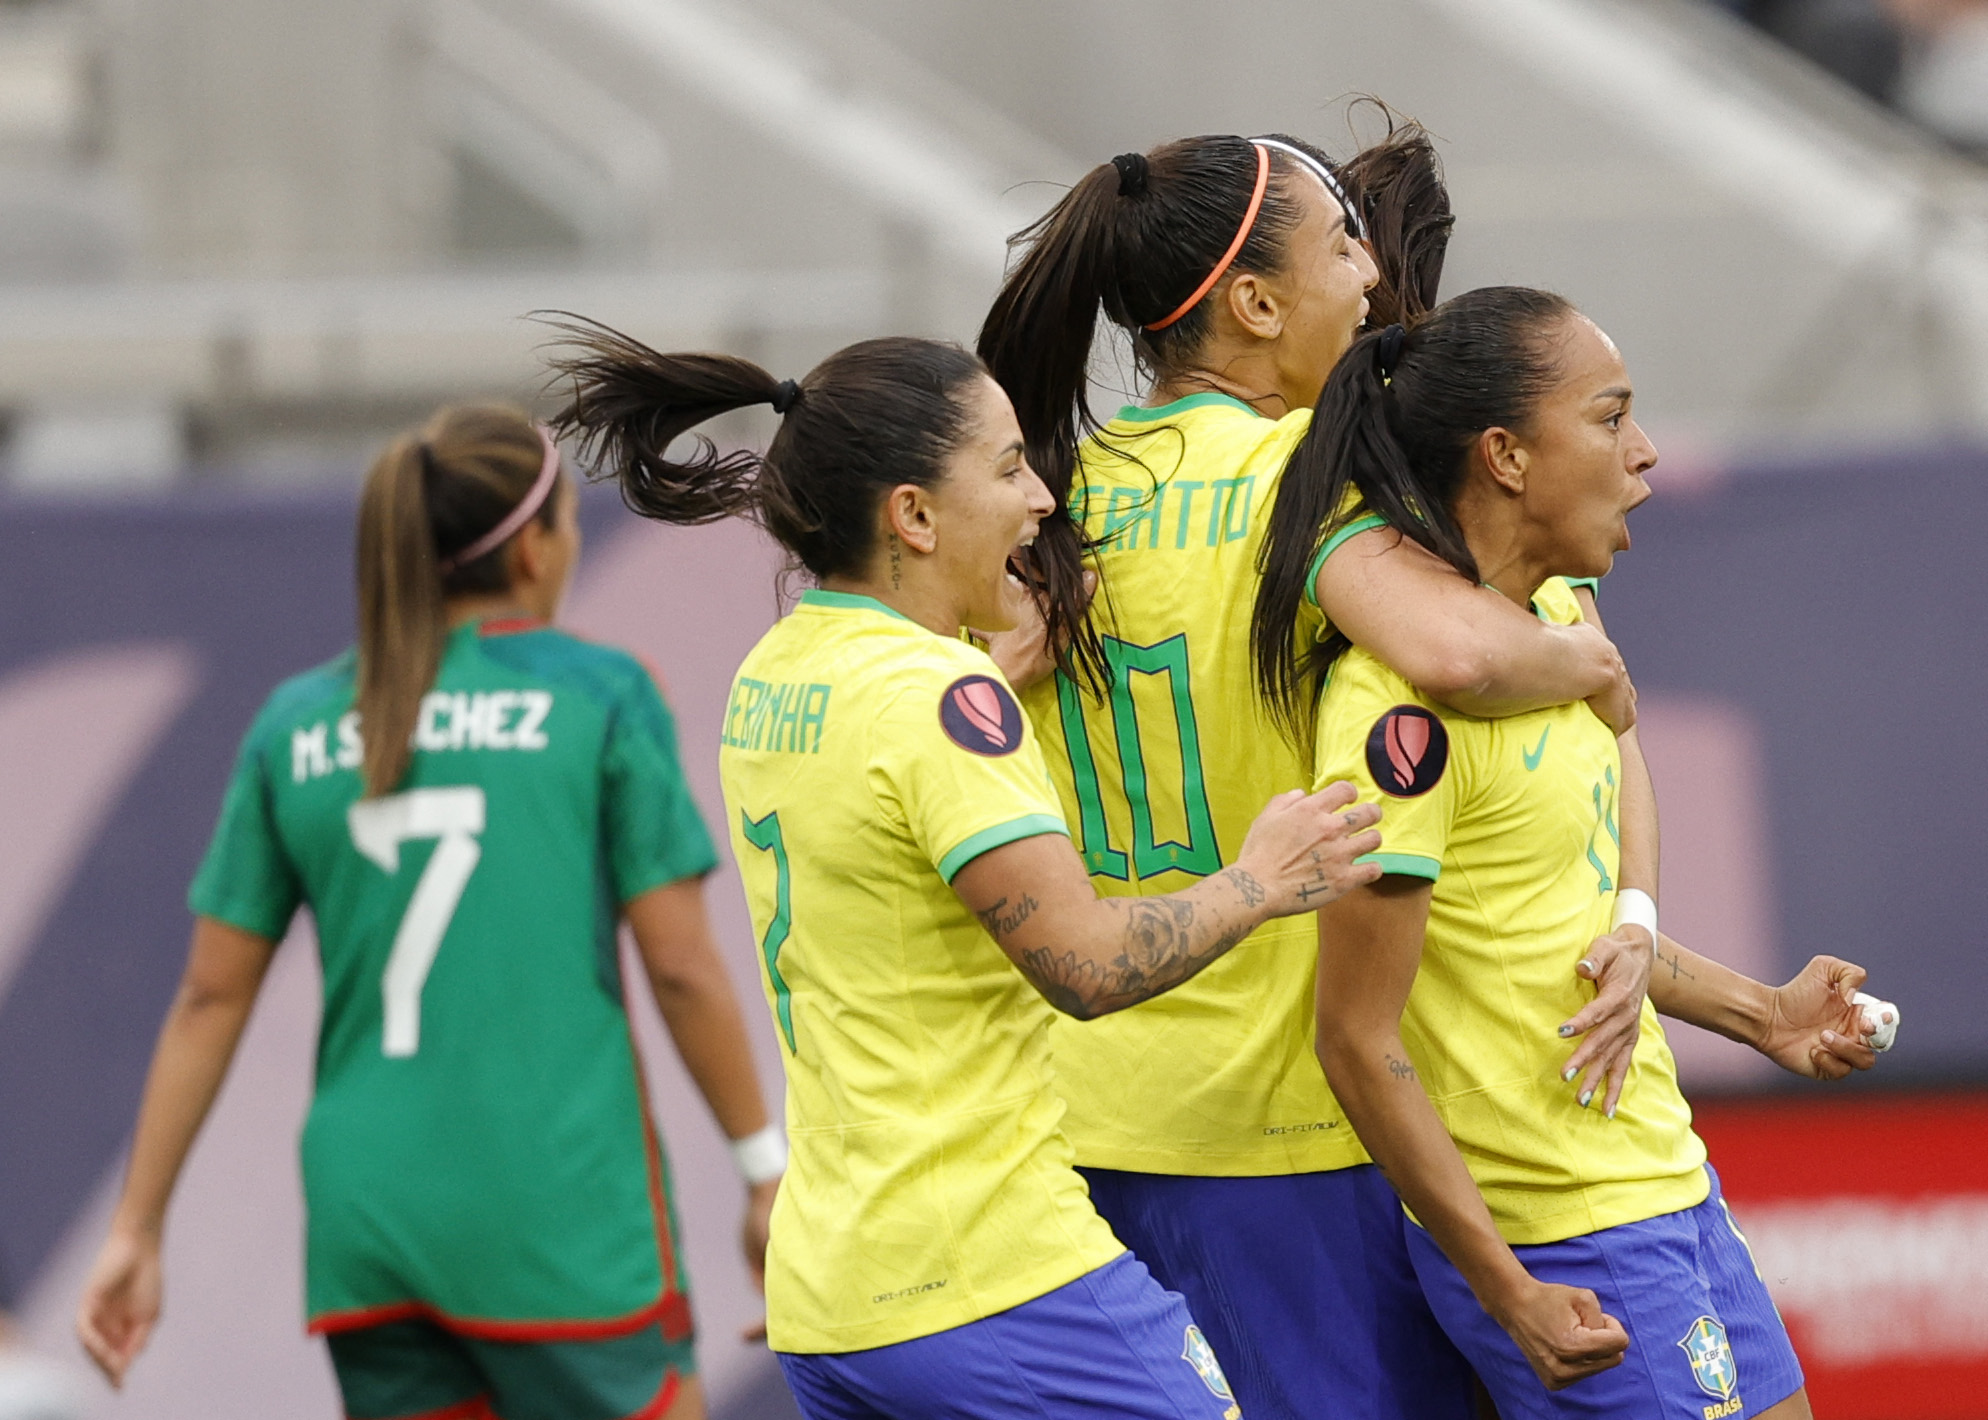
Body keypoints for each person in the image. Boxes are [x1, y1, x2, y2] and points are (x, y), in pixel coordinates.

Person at [545, 322, 1387, 1420]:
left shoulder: (778, 672)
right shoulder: (949, 703)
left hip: (832, 1299)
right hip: (987, 1271)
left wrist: (981, 659)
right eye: (1004, 467)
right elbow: (1083, 967)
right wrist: (1261, 877)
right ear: (911, 513)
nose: (1040, 497)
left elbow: (882, 791)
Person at [972, 125, 1647, 1419]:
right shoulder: (1310, 477)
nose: (1372, 279)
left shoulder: (1058, 492)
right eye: (1342, 245)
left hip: (1080, 1124)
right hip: (1276, 1133)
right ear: (1256, 304)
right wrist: (1588, 671)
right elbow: (1451, 650)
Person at [75, 404, 779, 1420]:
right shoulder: (599, 694)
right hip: (558, 1208)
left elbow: (207, 997)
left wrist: (135, 1229)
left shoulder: (296, 723)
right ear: (534, 548)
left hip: (369, 1226)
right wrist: (764, 1172)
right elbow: (681, 966)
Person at [1291, 288, 1889, 1418]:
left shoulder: (1559, 615)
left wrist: (1757, 1012)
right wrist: (1504, 1284)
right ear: (1506, 455)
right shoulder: (1396, 716)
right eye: (1610, 418)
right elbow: (1355, 1038)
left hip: (1666, 1183)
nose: (1645, 452)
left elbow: (1551, 916)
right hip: (1563, 1230)